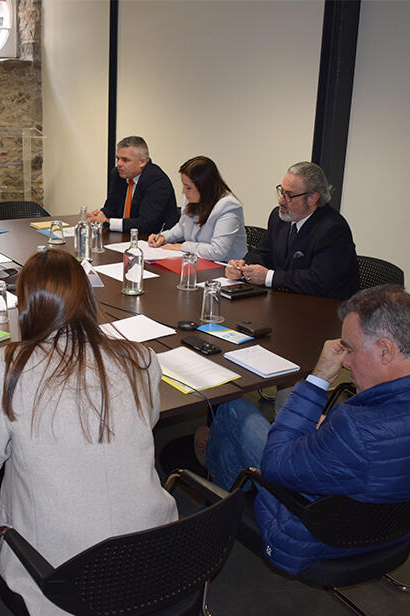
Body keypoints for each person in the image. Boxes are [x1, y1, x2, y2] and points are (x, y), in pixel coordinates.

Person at [0, 249, 178, 616]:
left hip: (62, 578)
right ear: (88, 299)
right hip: (150, 555)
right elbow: (146, 424)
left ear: (24, 307)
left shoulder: (4, 367)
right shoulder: (140, 358)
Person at [201, 284, 410, 575]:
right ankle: (221, 494)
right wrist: (329, 434)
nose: (345, 362)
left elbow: (274, 464)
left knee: (234, 409)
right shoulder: (361, 423)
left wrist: (319, 378)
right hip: (393, 533)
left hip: (313, 535)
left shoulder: (353, 429)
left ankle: (209, 522)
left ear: (385, 350)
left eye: (349, 348)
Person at [224, 161, 358, 301]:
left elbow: (318, 281)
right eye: (282, 192)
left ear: (312, 198)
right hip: (285, 301)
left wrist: (269, 277)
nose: (281, 201)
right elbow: (264, 253)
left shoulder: (333, 229)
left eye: (289, 195)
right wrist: (241, 266)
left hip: (325, 310)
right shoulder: (279, 217)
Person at [148, 156, 246, 261]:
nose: (183, 192)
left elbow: (217, 251)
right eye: (183, 185)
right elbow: (182, 228)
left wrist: (183, 247)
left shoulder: (228, 206)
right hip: (198, 261)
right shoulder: (191, 198)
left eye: (188, 187)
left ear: (204, 186)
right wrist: (164, 237)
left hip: (225, 267)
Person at [87, 135, 178, 235]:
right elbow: (111, 206)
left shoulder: (157, 181)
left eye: (125, 160)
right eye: (118, 158)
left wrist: (107, 222)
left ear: (142, 162)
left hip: (153, 240)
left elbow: (146, 224)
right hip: (124, 237)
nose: (119, 164)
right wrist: (101, 214)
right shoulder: (117, 174)